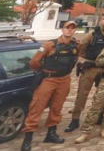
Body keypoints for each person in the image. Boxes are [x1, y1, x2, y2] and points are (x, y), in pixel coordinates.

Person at [21, 21, 79, 150]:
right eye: (67, 28)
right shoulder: (50, 45)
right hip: (48, 79)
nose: (69, 30)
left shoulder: (76, 45)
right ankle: (27, 139)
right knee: (37, 107)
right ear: (62, 29)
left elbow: (75, 59)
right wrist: (45, 70)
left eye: (72, 28)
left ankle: (51, 134)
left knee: (57, 107)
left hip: (64, 79)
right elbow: (34, 62)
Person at [65, 12, 104, 133]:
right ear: (100, 21)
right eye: (103, 19)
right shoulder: (92, 34)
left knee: (103, 94)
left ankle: (99, 115)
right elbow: (81, 50)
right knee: (82, 93)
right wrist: (83, 62)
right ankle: (75, 119)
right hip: (91, 67)